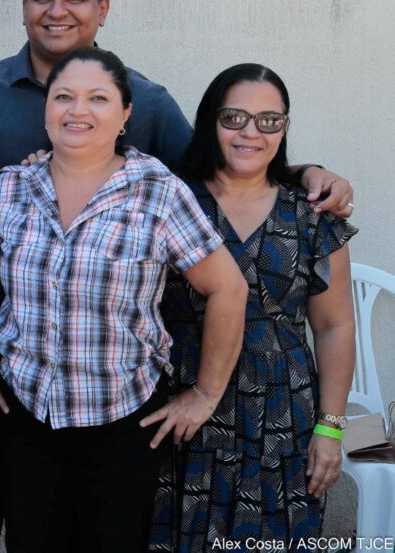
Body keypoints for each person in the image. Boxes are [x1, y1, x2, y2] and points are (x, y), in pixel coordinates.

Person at [0, 0, 355, 550]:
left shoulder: (155, 162)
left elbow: (226, 163)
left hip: (124, 400)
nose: (58, 10)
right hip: (12, 391)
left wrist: (306, 173)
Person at [0, 47, 248, 553]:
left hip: (123, 421)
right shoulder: (13, 188)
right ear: (47, 107)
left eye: (97, 98)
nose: (77, 110)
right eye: (63, 96)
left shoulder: (157, 192)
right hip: (25, 417)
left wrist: (204, 396)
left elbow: (228, 287)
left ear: (125, 114)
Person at [149, 64, 357, 552]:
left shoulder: (311, 213)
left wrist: (330, 428)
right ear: (209, 121)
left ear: (284, 128)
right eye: (235, 117)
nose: (250, 132)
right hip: (184, 406)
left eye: (269, 120)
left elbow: (334, 326)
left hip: (282, 415)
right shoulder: (173, 202)